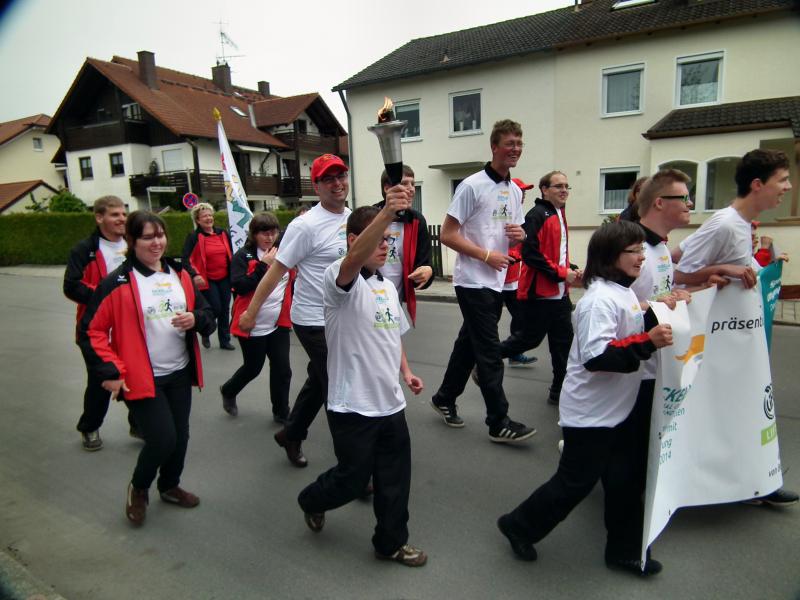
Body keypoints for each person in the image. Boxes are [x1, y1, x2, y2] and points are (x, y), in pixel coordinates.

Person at [497, 220, 673, 576]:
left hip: (620, 408)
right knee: (574, 483)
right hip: (590, 413)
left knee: (626, 482)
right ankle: (518, 524)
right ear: (611, 257)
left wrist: (661, 307)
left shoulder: (622, 291)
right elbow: (597, 357)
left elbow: (632, 322)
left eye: (642, 250)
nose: (642, 257)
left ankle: (625, 552)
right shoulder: (598, 301)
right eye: (634, 251)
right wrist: (647, 341)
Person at [298, 197, 427, 567]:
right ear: (354, 240)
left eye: (390, 238)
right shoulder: (339, 279)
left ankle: (390, 543)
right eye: (379, 238)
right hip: (352, 405)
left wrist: (406, 372)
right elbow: (352, 262)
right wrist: (387, 211)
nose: (387, 245)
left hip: (390, 403)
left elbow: (393, 334)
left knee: (394, 480)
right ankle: (312, 499)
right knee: (352, 480)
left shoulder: (387, 286)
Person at [675, 148, 797, 507]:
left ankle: (759, 482)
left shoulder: (741, 224)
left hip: (739, 343)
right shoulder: (725, 223)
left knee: (748, 410)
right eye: (782, 180)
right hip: (716, 344)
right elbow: (677, 270)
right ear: (758, 185)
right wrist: (723, 272)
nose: (788, 188)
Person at [78, 211, 215, 526]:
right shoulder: (119, 281)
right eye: (147, 237)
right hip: (143, 375)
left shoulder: (179, 273)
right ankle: (139, 488)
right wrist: (110, 371)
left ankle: (169, 485)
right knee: (162, 439)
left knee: (180, 437)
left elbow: (207, 313)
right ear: (132, 241)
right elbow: (91, 331)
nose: (157, 243)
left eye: (160, 235)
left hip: (179, 372)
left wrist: (196, 318)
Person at [239, 153, 351, 467]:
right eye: (328, 178)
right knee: (338, 386)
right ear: (316, 186)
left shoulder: (353, 218)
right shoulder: (305, 226)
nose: (336, 183)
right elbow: (276, 271)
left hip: (342, 317)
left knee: (319, 378)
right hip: (313, 318)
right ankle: (352, 465)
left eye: (340, 175)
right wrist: (251, 312)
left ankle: (292, 432)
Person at [429, 119, 534, 443]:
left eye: (519, 143)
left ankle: (444, 397)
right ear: (494, 147)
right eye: (509, 143)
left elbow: (514, 235)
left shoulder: (515, 189)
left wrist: (522, 235)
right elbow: (447, 234)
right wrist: (485, 256)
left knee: (468, 345)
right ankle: (497, 420)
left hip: (498, 281)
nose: (515, 148)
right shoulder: (472, 186)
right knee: (488, 351)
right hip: (472, 280)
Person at [498, 171, 582, 406]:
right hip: (539, 294)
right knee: (528, 339)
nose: (564, 190)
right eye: (558, 186)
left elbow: (554, 252)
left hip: (559, 294)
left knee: (562, 344)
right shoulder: (537, 214)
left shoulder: (559, 213)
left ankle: (559, 392)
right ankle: (486, 358)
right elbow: (530, 253)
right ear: (545, 190)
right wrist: (560, 273)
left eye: (566, 186)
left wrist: (571, 268)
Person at [63, 195, 138, 450]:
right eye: (115, 214)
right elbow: (71, 286)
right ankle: (90, 426)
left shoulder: (133, 244)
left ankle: (137, 423)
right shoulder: (84, 250)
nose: (122, 219)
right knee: (101, 380)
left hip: (129, 326)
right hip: (95, 327)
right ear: (99, 217)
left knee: (136, 374)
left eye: (124, 214)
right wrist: (104, 297)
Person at [221, 212, 294, 421]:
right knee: (253, 368)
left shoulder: (284, 253)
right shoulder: (243, 256)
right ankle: (228, 390)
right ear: (254, 234)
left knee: (283, 369)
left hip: (278, 323)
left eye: (273, 233)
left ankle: (281, 412)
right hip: (251, 323)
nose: (269, 238)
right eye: (264, 233)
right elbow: (240, 286)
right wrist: (264, 266)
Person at [372, 164, 434, 325]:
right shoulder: (369, 216)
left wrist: (427, 271)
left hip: (395, 299)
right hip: (368, 297)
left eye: (413, 184)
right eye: (405, 183)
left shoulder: (416, 221)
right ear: (387, 188)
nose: (411, 189)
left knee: (390, 346)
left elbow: (424, 263)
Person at [182, 202, 234, 350]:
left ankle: (225, 340)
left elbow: (231, 253)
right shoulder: (194, 237)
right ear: (198, 220)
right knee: (215, 308)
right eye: (204, 216)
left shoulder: (222, 233)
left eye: (210, 215)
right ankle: (206, 330)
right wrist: (194, 275)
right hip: (207, 279)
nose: (209, 218)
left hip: (225, 277)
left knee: (224, 309)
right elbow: (185, 259)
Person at [503, 178, 537, 368]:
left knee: (521, 318)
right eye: (521, 191)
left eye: (525, 191)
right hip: (497, 279)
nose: (523, 194)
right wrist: (516, 254)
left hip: (513, 280)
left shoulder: (520, 214)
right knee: (487, 322)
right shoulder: (504, 213)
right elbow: (500, 243)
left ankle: (514, 353)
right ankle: (482, 355)